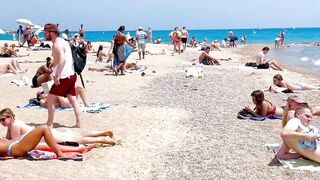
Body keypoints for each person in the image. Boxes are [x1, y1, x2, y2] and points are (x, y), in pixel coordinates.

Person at [0, 108, 116, 145]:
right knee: (76, 135)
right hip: (45, 134)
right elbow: (10, 140)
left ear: (10, 117)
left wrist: (3, 141)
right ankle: (103, 133)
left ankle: (104, 139)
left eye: (3, 119)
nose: (2, 122)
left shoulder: (15, 125)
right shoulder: (14, 124)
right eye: (0, 120)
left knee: (76, 139)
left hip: (45, 136)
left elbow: (13, 144)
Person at [43, 23, 82, 128]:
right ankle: (79, 123)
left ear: (51, 33)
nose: (44, 34)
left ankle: (49, 124)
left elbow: (63, 60)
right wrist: (54, 64)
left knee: (50, 99)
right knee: (72, 99)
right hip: (72, 75)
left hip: (64, 77)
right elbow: (63, 58)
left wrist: (57, 76)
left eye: (46, 32)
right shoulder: (62, 41)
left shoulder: (56, 44)